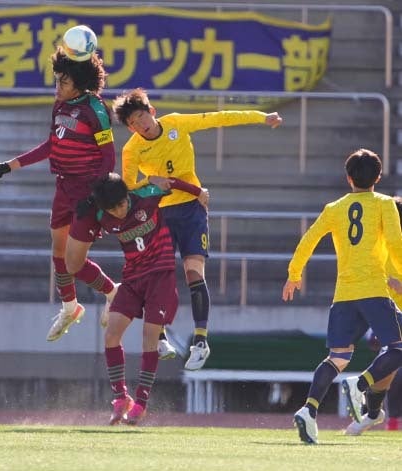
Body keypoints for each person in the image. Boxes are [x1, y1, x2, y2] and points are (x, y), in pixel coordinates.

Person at [112, 88, 282, 369]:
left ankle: (201, 340)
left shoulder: (177, 123)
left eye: (141, 116)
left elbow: (219, 118)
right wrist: (151, 181)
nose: (139, 125)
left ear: (151, 112)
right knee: (158, 276)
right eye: (132, 123)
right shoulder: (132, 149)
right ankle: (162, 337)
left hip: (191, 210)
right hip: (159, 214)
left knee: (194, 272)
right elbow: (129, 188)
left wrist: (262, 117)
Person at [0, 44, 119, 343]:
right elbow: (51, 145)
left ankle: (113, 291)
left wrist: (96, 196)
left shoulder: (95, 110)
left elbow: (109, 157)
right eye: (56, 79)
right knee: (58, 253)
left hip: (88, 191)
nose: (57, 86)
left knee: (74, 262)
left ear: (80, 82)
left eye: (63, 81)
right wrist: (10, 165)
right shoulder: (60, 106)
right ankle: (70, 307)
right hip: (64, 186)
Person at [282, 148, 402, 445]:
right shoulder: (385, 204)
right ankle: (360, 384)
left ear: (348, 178)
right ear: (378, 176)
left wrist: (294, 274)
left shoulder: (334, 207)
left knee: (337, 357)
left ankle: (309, 410)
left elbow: (309, 238)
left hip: (344, 294)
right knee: (398, 348)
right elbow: (397, 244)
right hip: (374, 291)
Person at [75, 172, 205, 425]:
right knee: (112, 334)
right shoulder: (104, 216)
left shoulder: (146, 196)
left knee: (150, 337)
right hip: (133, 279)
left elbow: (170, 182)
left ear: (127, 196)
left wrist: (198, 193)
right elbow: (88, 212)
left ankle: (142, 403)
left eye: (122, 204)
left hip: (160, 277)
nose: (120, 211)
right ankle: (121, 398)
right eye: (113, 208)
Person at [344, 196, 402, 435]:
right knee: (393, 360)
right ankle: (371, 412)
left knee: (393, 359)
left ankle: (362, 393)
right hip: (391, 315)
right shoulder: (378, 248)